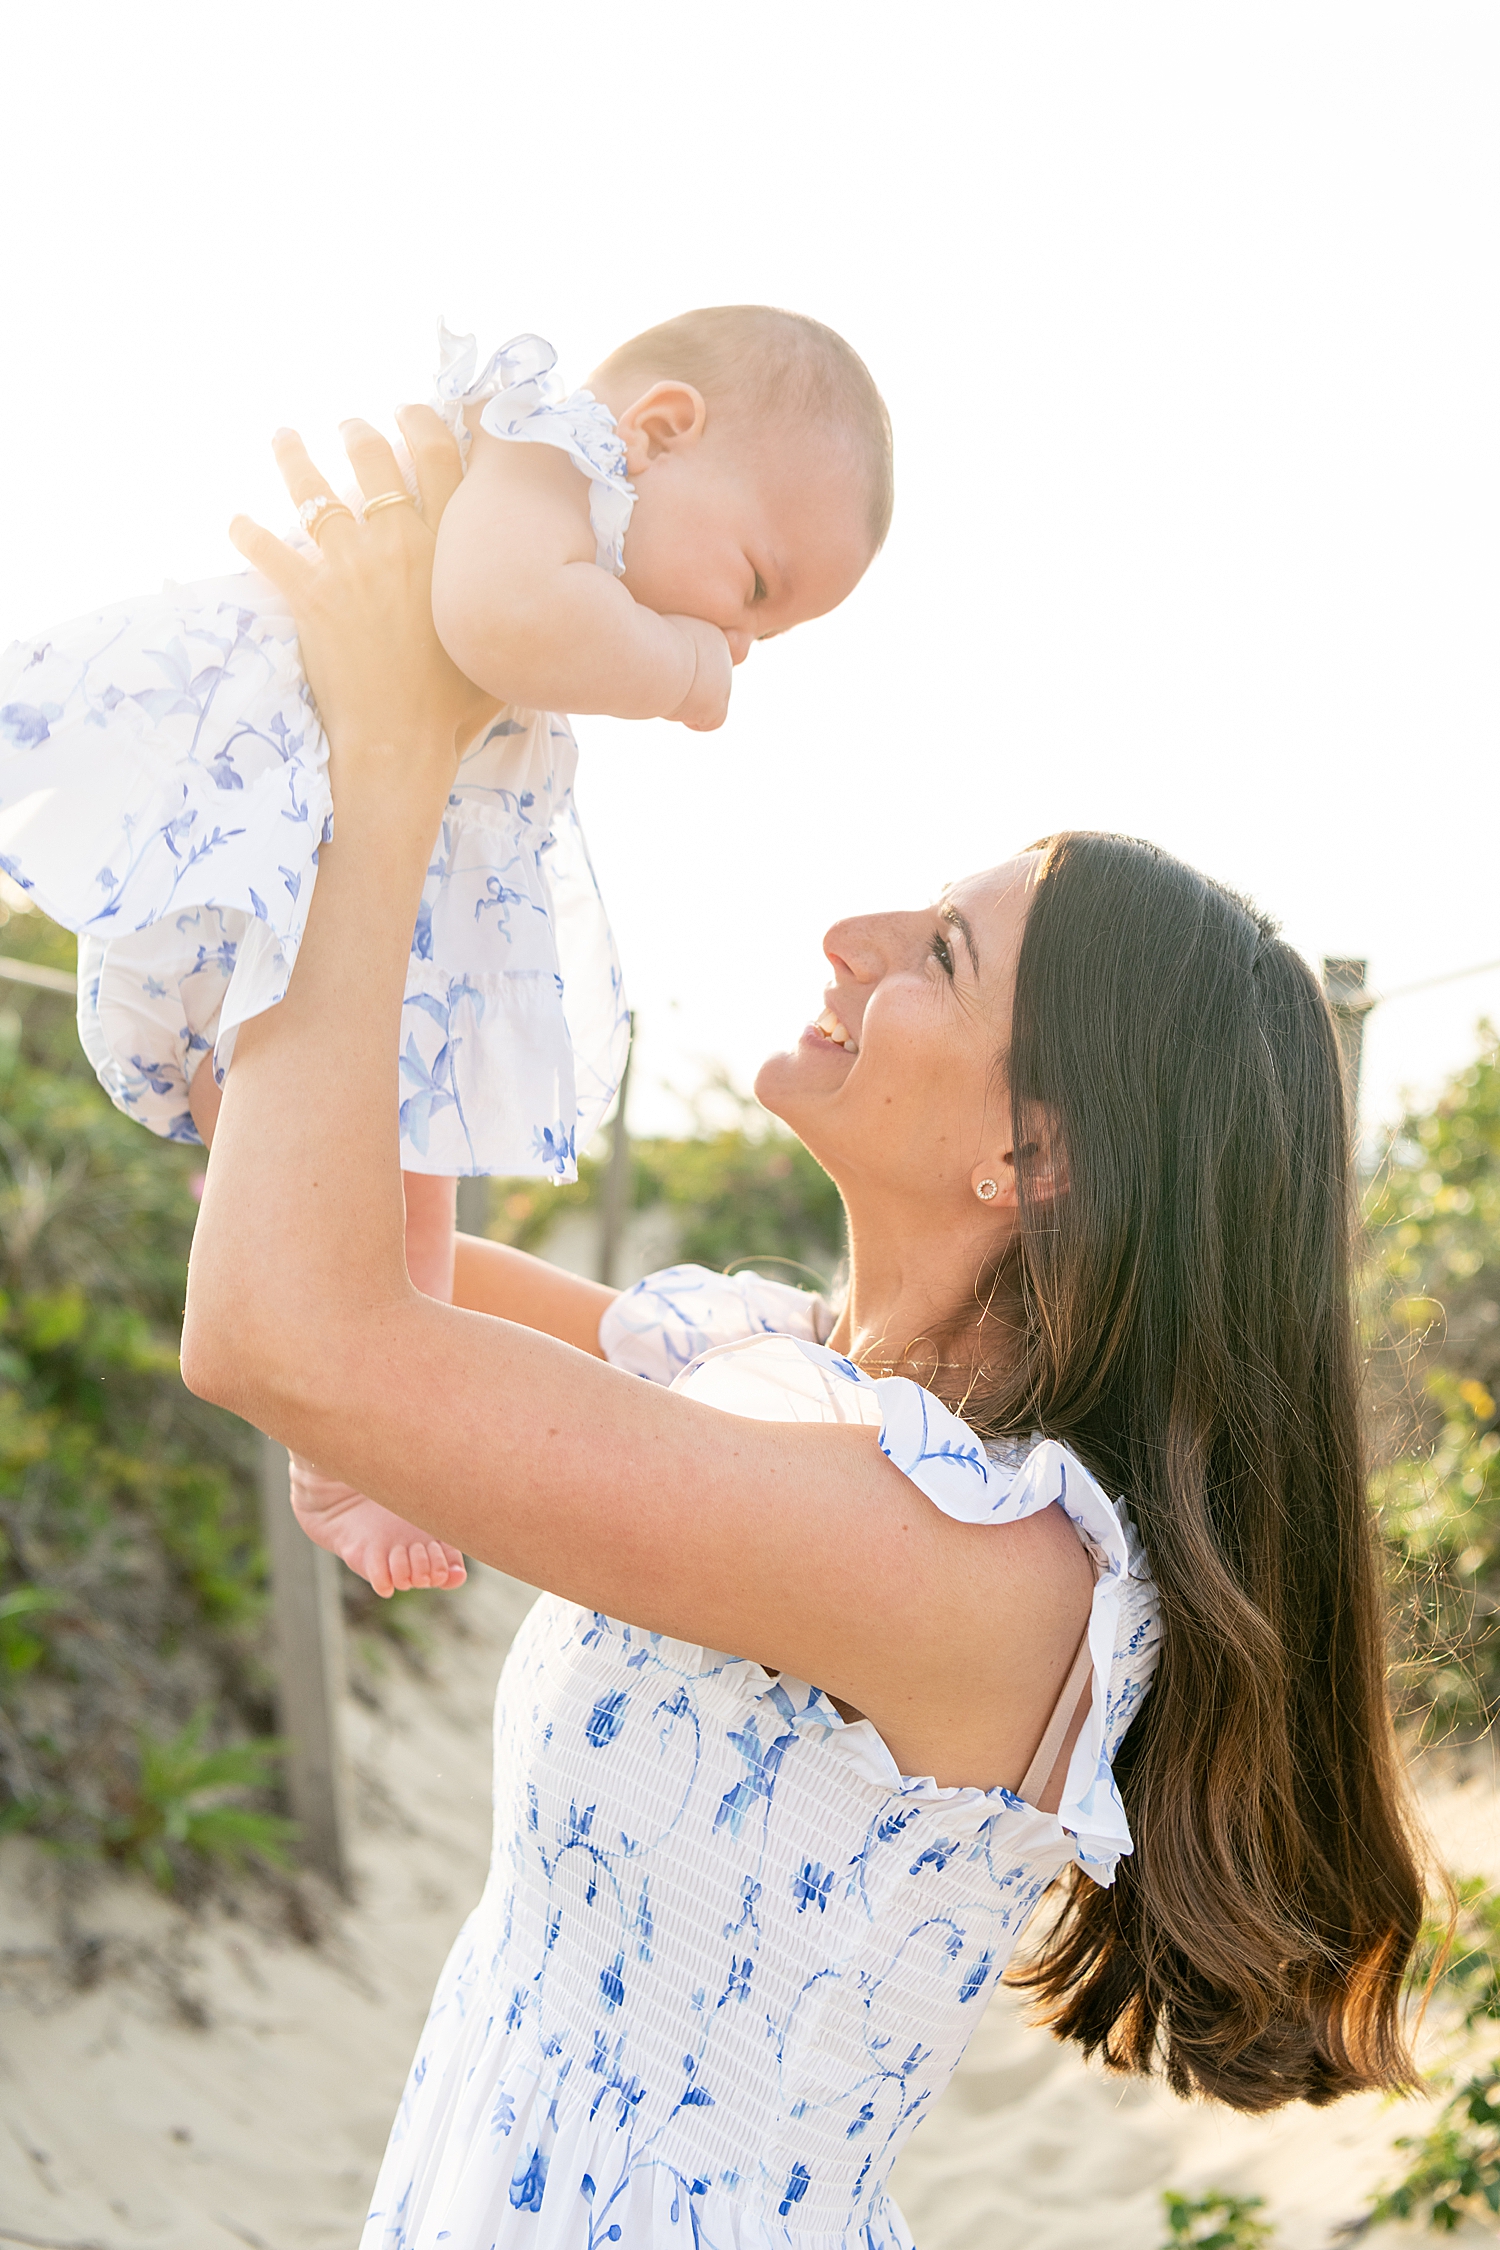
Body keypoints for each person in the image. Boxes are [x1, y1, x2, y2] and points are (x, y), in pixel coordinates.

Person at [181, 419, 1425, 2249]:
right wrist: (456, 751)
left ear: (1035, 1155)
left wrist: (392, 746)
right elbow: (325, 1216)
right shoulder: (787, 1384)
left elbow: (294, 1329)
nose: (849, 933)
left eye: (937, 953)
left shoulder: (984, 1570)